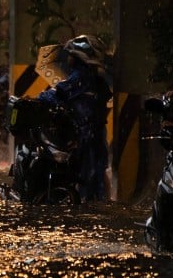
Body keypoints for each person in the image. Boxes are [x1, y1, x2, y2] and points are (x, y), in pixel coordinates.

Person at [34, 35, 113, 201]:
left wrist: (41, 97)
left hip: (86, 133)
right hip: (96, 132)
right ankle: (101, 203)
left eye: (70, 54)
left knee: (86, 173)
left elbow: (62, 92)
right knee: (98, 171)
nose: (67, 58)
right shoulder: (95, 78)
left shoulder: (81, 76)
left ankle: (89, 204)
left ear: (77, 56)